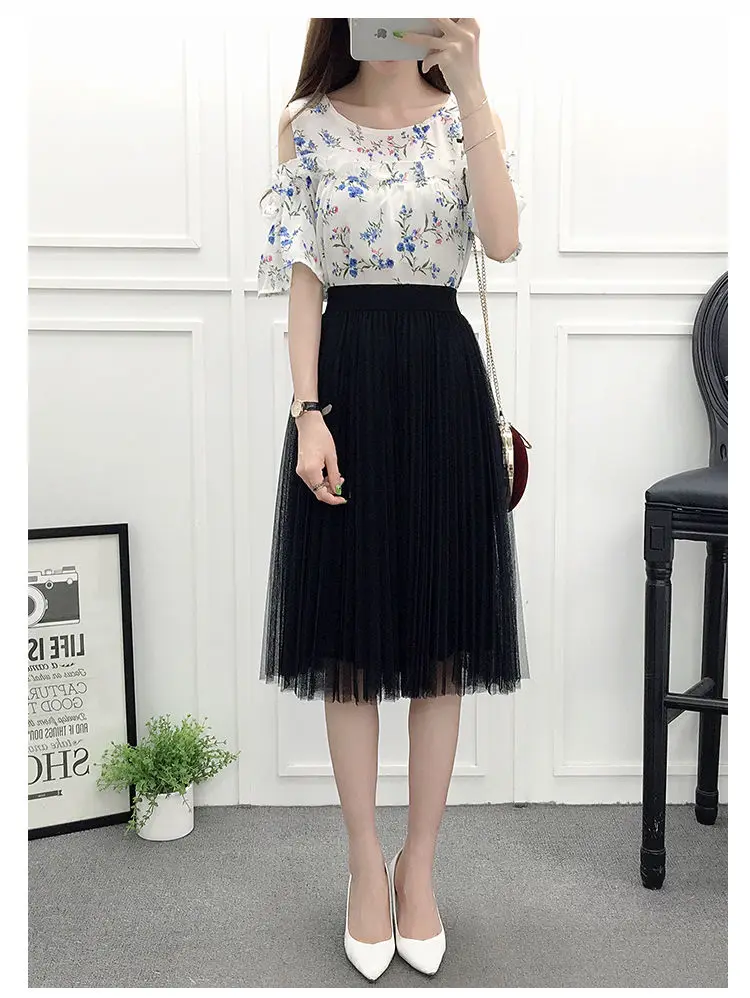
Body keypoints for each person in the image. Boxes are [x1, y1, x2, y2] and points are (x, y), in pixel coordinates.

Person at [257, 17, 529, 981]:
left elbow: (503, 241)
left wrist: (474, 85)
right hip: (349, 387)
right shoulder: (305, 125)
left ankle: (421, 868)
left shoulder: (466, 117)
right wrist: (308, 414)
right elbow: (303, 282)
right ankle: (364, 866)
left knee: (441, 642)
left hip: (442, 384)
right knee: (351, 645)